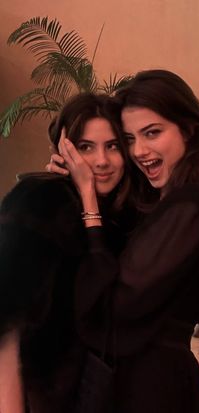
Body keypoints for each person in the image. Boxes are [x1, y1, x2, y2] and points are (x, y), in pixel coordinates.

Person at [55, 70, 199, 413]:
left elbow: (114, 307)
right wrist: (74, 188)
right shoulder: (164, 200)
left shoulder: (196, 202)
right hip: (135, 378)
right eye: (129, 138)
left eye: (152, 133)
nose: (140, 150)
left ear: (188, 127)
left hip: (153, 387)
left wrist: (89, 202)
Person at [0, 93, 134, 413]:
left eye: (113, 146)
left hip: (94, 393)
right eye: (86, 147)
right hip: (41, 394)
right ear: (65, 150)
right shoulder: (40, 199)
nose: (101, 161)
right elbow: (6, 322)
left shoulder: (119, 217)